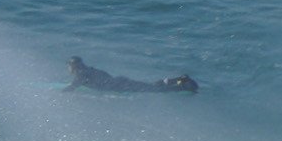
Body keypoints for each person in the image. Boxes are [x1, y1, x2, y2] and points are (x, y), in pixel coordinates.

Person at [68, 57, 197, 94]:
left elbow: (72, 87)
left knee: (154, 90)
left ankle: (183, 87)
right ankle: (179, 79)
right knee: (151, 86)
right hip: (120, 81)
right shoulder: (92, 69)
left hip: (119, 86)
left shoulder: (81, 73)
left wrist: (58, 95)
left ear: (74, 66)